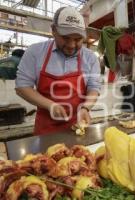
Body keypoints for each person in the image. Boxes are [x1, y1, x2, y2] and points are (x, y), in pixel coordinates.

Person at [15, 7, 100, 135]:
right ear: (54, 30)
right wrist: (50, 105)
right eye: (65, 38)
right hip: (45, 131)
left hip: (78, 128)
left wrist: (85, 107)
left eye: (77, 39)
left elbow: (94, 88)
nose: (71, 45)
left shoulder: (90, 58)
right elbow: (22, 86)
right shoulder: (35, 52)